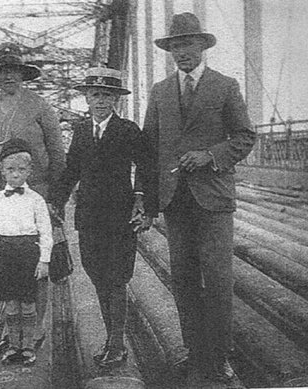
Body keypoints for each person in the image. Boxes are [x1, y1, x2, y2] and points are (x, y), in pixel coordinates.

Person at [143, 12, 256, 382]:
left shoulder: (225, 86)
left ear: (202, 46)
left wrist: (211, 156)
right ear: (170, 50)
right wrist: (145, 197)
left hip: (213, 199)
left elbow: (244, 137)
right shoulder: (160, 92)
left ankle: (219, 355)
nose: (182, 52)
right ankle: (195, 352)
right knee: (185, 279)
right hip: (175, 200)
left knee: (219, 280)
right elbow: (149, 147)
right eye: (176, 46)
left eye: (188, 44)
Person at [49, 67, 157, 367]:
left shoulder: (128, 130)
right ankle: (111, 339)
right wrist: (55, 200)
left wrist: (142, 201)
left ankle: (117, 343)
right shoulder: (83, 131)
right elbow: (72, 168)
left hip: (120, 218)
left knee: (117, 279)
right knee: (97, 276)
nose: (101, 101)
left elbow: (147, 167)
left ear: (116, 100)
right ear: (86, 97)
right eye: (95, 95)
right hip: (89, 218)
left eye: (107, 95)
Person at [0, 42, 66, 343]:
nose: (8, 77)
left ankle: (36, 329)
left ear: (22, 74)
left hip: (36, 195)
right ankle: (12, 331)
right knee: (3, 266)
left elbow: (58, 155)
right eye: (2, 72)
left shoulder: (39, 106)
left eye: (14, 71)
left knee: (38, 266)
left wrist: (54, 198)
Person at [0, 138, 53, 365]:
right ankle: (13, 345)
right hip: (5, 253)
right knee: (11, 303)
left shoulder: (37, 200)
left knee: (28, 302)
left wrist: (43, 261)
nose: (15, 175)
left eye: (21, 169)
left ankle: (28, 346)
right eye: (10, 169)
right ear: (2, 171)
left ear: (29, 171)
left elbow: (46, 232)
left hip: (28, 253)